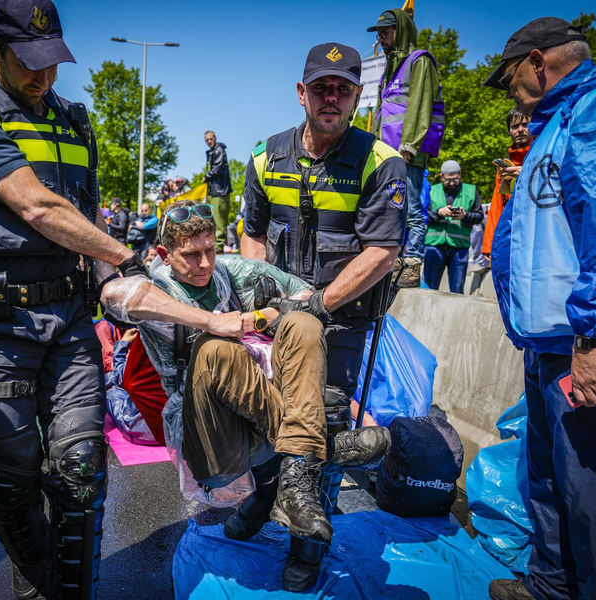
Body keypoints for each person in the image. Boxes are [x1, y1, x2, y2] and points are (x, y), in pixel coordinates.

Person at [0, 2, 242, 597]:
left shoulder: (75, 119)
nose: (44, 79)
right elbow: (37, 206)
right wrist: (127, 256)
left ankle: (68, 590)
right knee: (10, 476)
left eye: (53, 64)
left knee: (80, 469)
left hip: (69, 316)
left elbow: (86, 219)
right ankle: (40, 572)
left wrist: (131, 298)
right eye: (29, 64)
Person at [103, 200, 390, 589]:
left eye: (210, 250)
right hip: (209, 440)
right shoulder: (155, 286)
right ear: (164, 255)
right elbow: (116, 296)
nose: (204, 264)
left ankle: (296, 473)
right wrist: (211, 321)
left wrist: (268, 313)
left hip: (255, 419)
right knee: (216, 348)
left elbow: (307, 296)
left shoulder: (226, 272)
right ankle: (324, 447)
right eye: (191, 255)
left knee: (303, 324)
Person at [241, 42, 406, 590]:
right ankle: (267, 498)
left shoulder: (382, 163)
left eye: (343, 89)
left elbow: (382, 252)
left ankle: (308, 543)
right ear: (302, 93)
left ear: (358, 96)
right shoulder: (266, 156)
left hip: (341, 323)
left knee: (326, 423)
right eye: (321, 88)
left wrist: (317, 302)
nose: (331, 98)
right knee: (267, 416)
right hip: (277, 321)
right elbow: (253, 232)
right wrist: (262, 292)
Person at [482, 17, 596, 600]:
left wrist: (594, 338)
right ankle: (551, 586)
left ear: (539, 63)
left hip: (579, 344)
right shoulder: (555, 123)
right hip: (546, 342)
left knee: (590, 491)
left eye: (512, 78)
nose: (510, 92)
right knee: (547, 477)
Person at [369, 8, 444, 287]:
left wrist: (410, 146)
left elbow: (420, 105)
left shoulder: (419, 61)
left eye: (385, 32)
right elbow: (382, 111)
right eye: (379, 32)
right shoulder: (390, 66)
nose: (381, 37)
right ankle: (394, 262)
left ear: (400, 31)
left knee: (411, 209)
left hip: (406, 153)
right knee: (391, 210)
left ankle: (411, 263)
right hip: (385, 153)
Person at [423, 160, 484, 294]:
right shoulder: (432, 190)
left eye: (455, 179)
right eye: (448, 180)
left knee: (457, 290)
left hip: (459, 248)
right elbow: (422, 215)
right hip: (434, 247)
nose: (451, 183)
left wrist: (465, 215)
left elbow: (479, 216)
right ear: (442, 176)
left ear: (460, 175)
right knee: (428, 289)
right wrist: (439, 213)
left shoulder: (471, 191)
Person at [482, 107, 533, 260]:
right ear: (509, 131)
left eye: (525, 124)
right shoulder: (505, 164)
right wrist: (489, 245)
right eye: (515, 126)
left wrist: (526, 174)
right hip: (511, 233)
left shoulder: (543, 154)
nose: (520, 130)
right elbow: (497, 204)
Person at [203, 131, 232, 251]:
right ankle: (215, 246)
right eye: (207, 140)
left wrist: (207, 176)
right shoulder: (211, 152)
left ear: (215, 138)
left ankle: (218, 247)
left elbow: (218, 168)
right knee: (213, 219)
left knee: (219, 220)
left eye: (211, 139)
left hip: (220, 191)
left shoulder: (219, 150)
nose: (209, 142)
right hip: (214, 191)